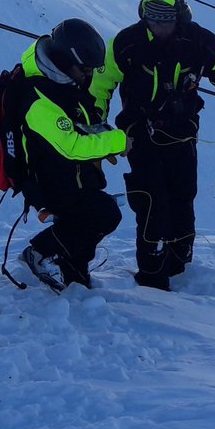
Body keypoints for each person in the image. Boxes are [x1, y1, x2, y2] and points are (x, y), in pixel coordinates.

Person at [90, 0, 215, 291]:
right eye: (152, 18)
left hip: (182, 134)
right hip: (138, 132)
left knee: (183, 197)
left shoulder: (204, 43)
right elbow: (99, 88)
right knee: (151, 200)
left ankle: (179, 267)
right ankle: (152, 276)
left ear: (181, 15)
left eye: (165, 19)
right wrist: (97, 135)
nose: (158, 25)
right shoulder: (126, 43)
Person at [13, 18, 128, 292]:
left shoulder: (62, 81)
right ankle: (39, 254)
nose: (87, 75)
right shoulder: (38, 98)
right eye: (84, 68)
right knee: (103, 214)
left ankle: (75, 275)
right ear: (64, 60)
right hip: (48, 181)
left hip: (71, 175)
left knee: (86, 219)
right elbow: (71, 145)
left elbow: (80, 117)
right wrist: (119, 141)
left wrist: (102, 136)